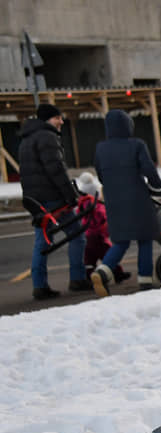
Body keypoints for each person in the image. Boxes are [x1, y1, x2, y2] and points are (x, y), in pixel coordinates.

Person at [91, 109, 161, 296]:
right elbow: (149, 170)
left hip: (113, 201)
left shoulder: (100, 148)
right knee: (144, 239)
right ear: (128, 126)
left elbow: (100, 174)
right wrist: (159, 188)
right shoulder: (136, 145)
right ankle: (145, 280)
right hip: (138, 199)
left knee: (121, 241)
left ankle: (103, 271)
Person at [17, 103, 91, 300]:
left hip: (37, 201)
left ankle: (39, 286)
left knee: (42, 242)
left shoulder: (26, 140)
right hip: (54, 199)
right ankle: (78, 279)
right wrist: (71, 196)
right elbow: (56, 169)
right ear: (48, 119)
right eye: (58, 117)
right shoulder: (47, 137)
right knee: (76, 235)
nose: (61, 121)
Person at [75, 172, 131, 284]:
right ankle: (117, 273)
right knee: (109, 254)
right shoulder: (97, 206)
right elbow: (102, 216)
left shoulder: (82, 204)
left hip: (88, 235)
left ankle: (90, 276)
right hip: (98, 235)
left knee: (89, 259)